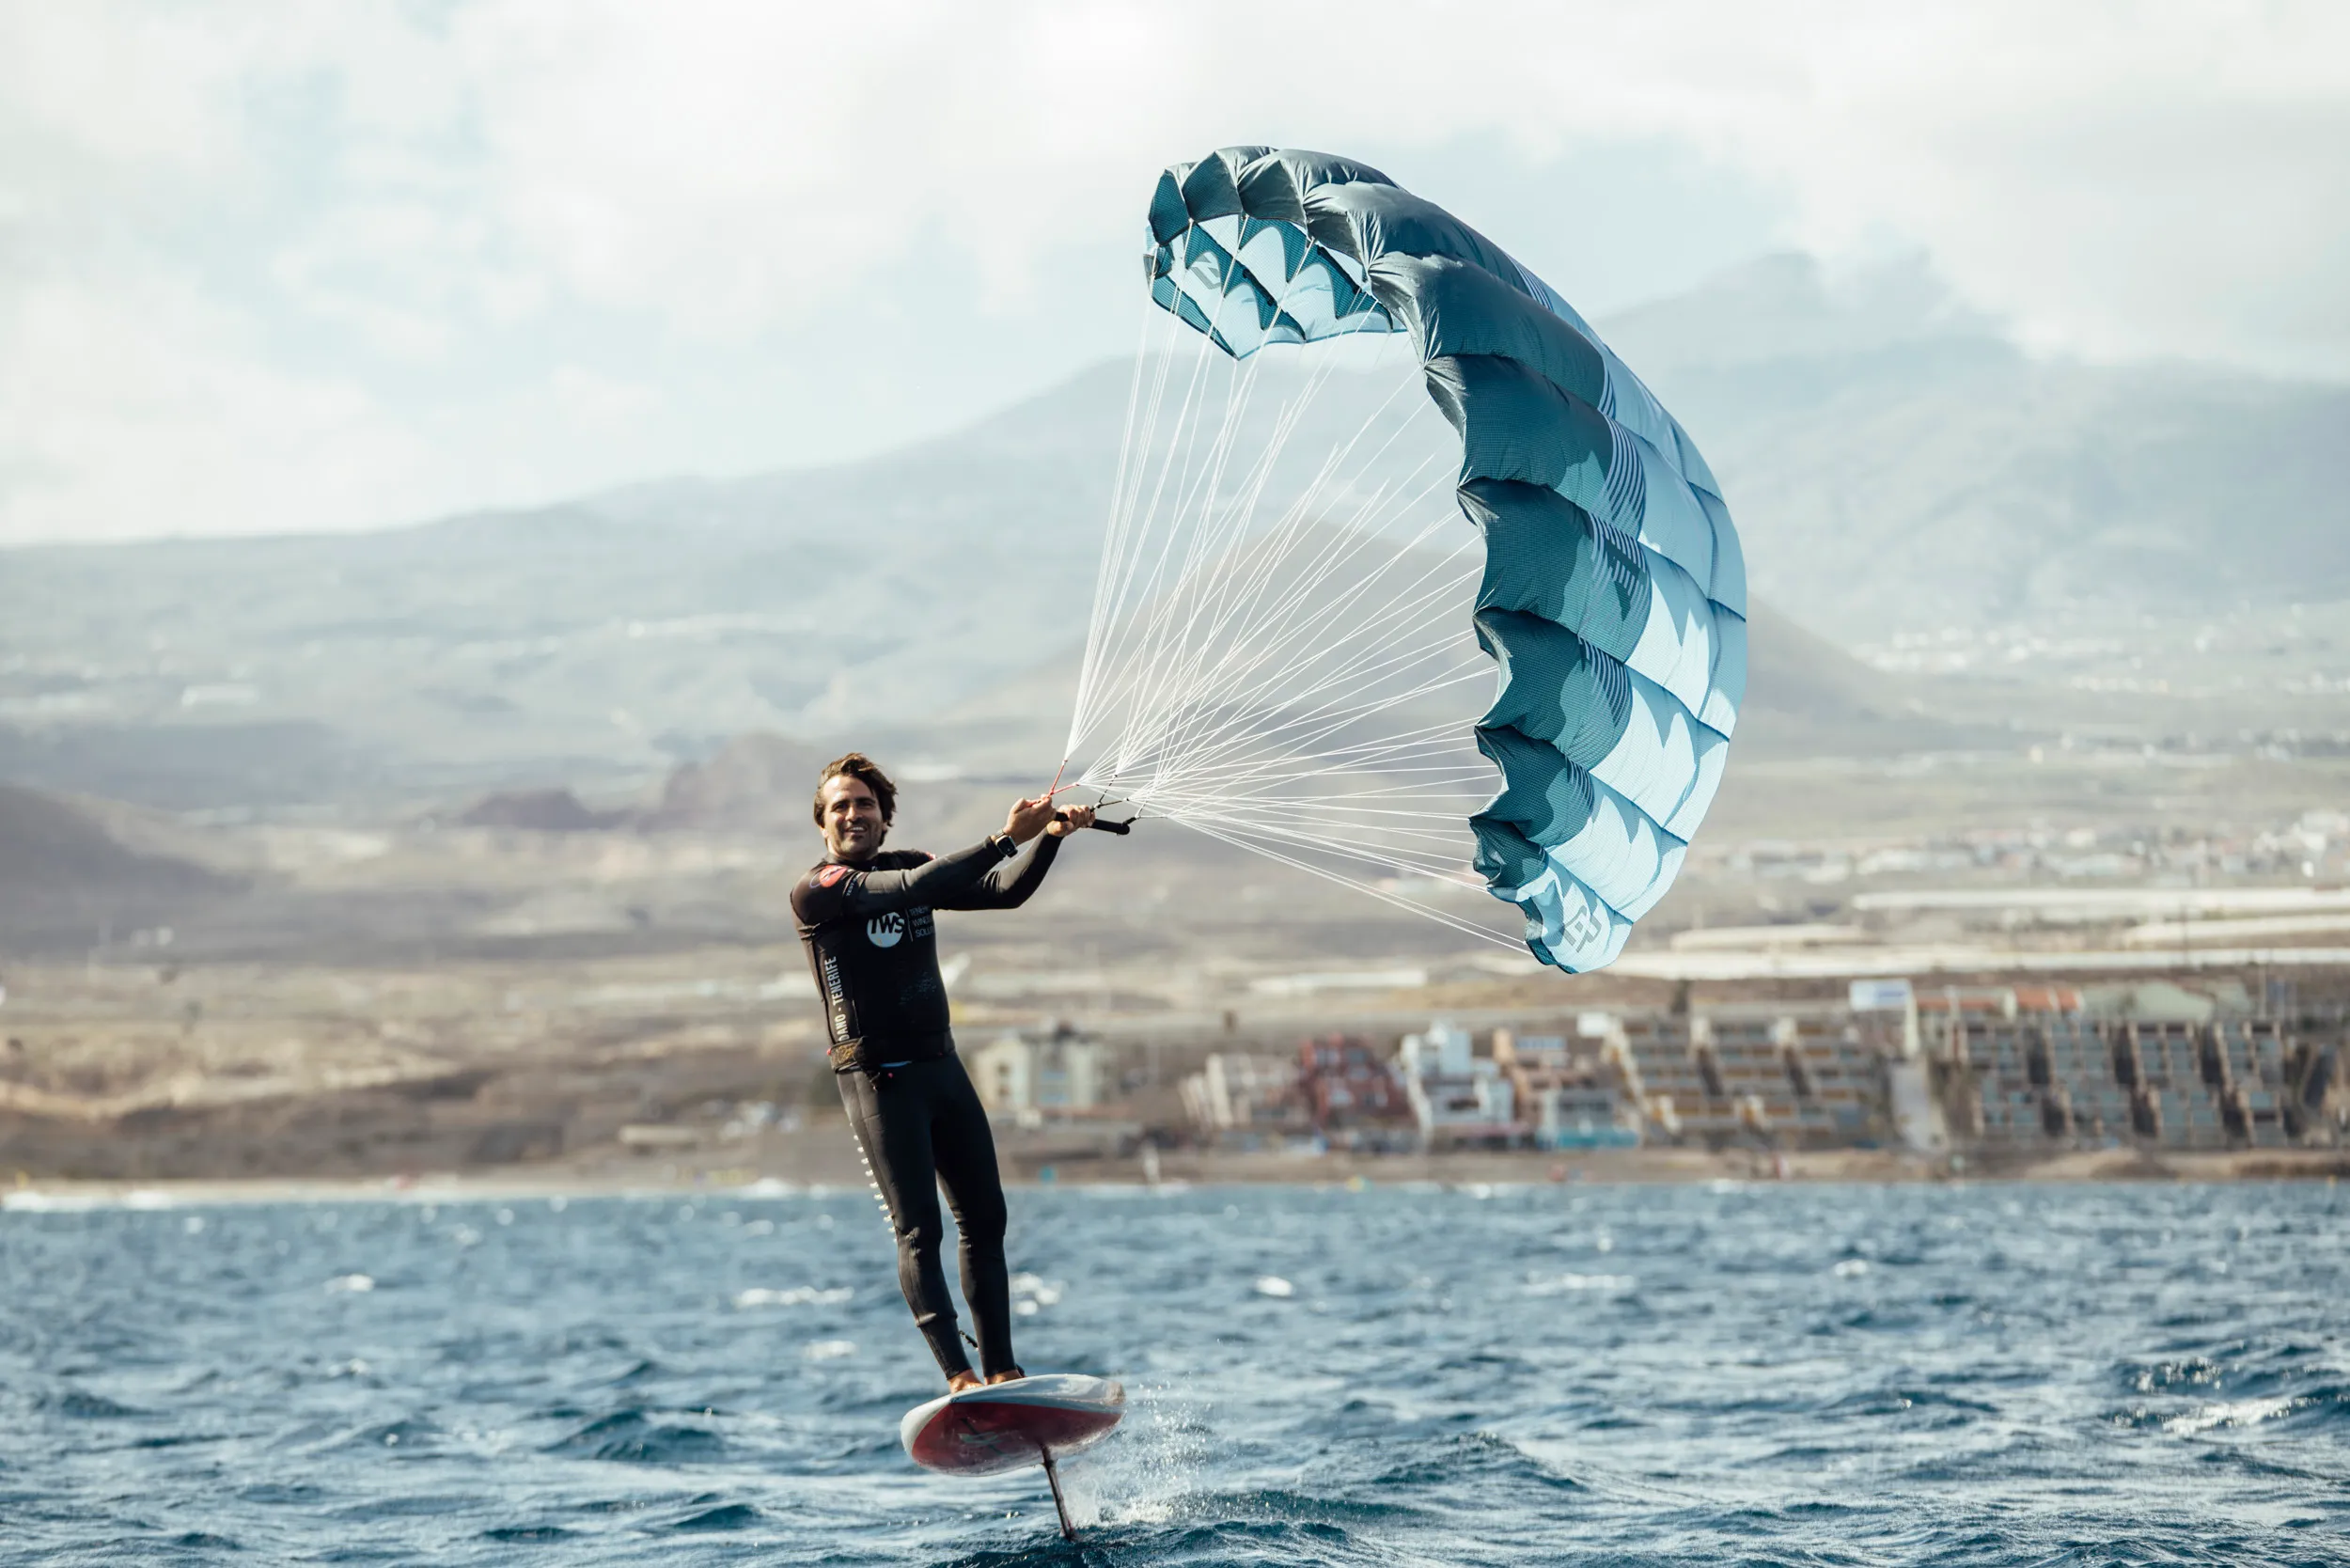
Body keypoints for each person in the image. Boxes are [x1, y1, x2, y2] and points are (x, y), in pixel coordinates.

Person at [791, 751, 1094, 1392]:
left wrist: (1049, 843)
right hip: (880, 1080)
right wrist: (1006, 837)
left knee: (986, 1220)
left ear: (883, 817)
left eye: (864, 804)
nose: (852, 814)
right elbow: (911, 893)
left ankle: (1003, 1368)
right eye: (839, 806)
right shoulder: (818, 890)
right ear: (822, 824)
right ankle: (958, 1376)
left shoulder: (908, 863)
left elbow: (1003, 894)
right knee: (920, 1230)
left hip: (942, 1069)